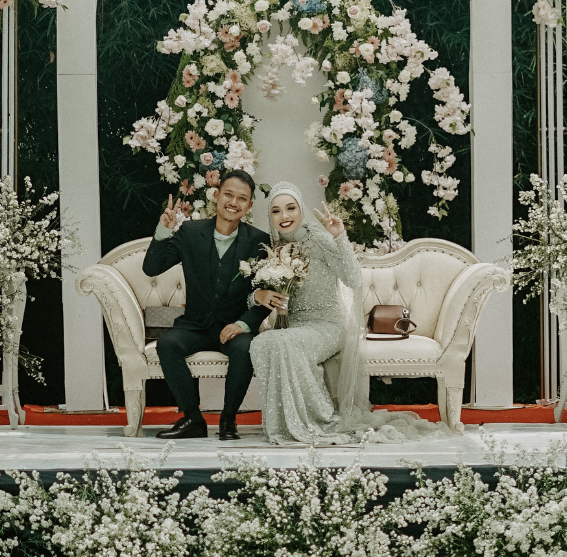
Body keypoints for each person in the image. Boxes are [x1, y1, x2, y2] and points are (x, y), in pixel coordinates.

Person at [249, 182, 446, 446]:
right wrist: (258, 295)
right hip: (293, 326)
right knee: (261, 342)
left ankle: (321, 418)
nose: (284, 216)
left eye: (290, 208)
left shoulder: (319, 240)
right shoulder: (273, 248)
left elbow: (353, 279)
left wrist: (339, 237)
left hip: (327, 326)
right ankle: (284, 423)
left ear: (301, 210)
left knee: (283, 342)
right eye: (276, 211)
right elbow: (257, 293)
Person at [142, 170, 271, 440]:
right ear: (216, 195)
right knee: (167, 344)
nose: (233, 202)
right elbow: (152, 267)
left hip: (234, 326)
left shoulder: (259, 242)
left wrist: (243, 324)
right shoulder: (190, 232)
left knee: (246, 347)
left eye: (242, 198)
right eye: (228, 194)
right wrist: (163, 230)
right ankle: (192, 419)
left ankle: (228, 420)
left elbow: (266, 295)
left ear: (249, 205)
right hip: (195, 325)